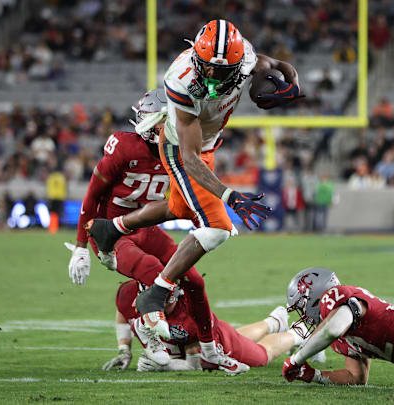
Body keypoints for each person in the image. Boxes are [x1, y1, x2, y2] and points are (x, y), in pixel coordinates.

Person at [86, 19, 303, 366]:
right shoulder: (182, 80)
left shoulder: (246, 59)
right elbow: (188, 157)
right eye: (209, 70)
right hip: (178, 147)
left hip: (207, 145)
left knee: (179, 207)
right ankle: (157, 291)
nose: (215, 80)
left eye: (223, 72)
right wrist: (229, 195)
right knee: (218, 227)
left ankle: (115, 227)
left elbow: (275, 65)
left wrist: (289, 84)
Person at [65, 88, 218, 367]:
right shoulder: (125, 147)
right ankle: (152, 339)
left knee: (194, 280)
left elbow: (188, 196)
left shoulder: (179, 152)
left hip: (144, 228)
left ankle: (209, 348)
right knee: (152, 271)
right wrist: (80, 246)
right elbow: (92, 194)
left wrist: (205, 222)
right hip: (111, 232)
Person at [103, 280, 316, 373]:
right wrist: (124, 349)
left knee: (260, 356)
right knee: (237, 335)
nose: (159, 308)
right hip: (184, 346)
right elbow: (123, 313)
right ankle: (274, 322)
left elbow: (196, 358)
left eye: (166, 301)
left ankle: (299, 333)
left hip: (211, 342)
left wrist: (167, 366)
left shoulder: (189, 313)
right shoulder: (128, 294)